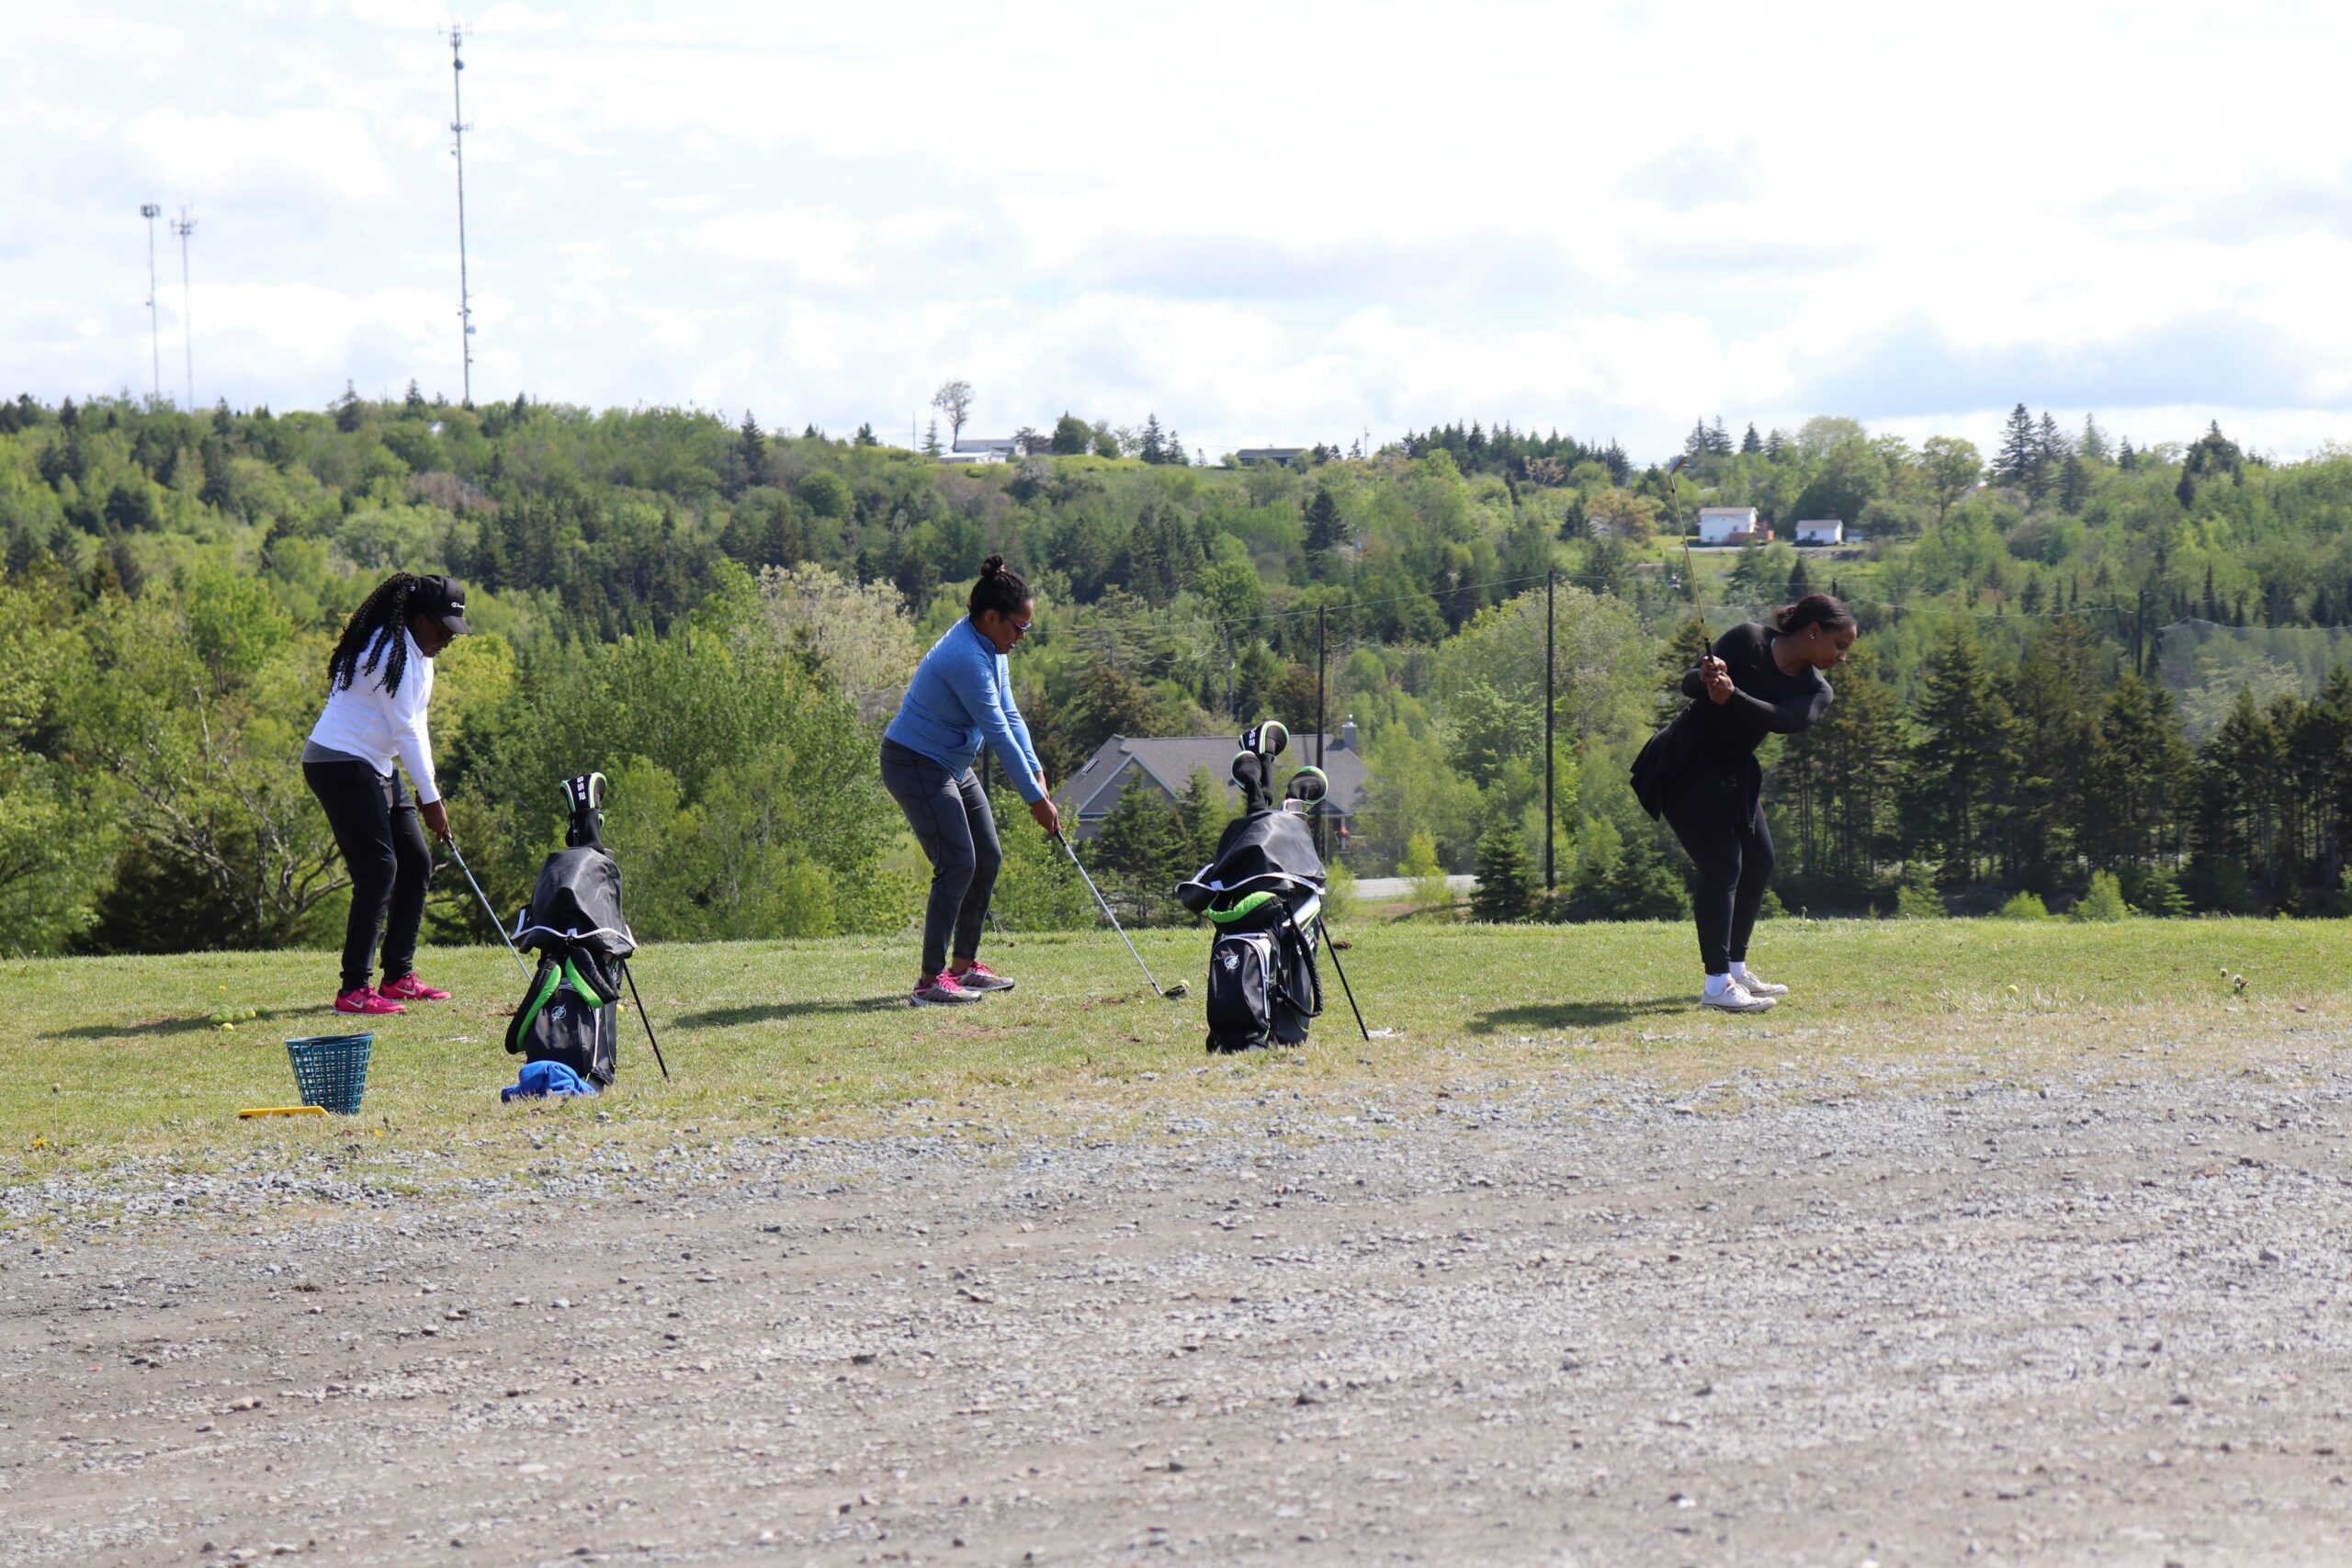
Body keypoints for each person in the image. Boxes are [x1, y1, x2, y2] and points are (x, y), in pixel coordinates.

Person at [1632, 592, 1856, 1012]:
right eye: (1839, 645)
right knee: (1722, 865)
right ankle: (1716, 985)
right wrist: (1707, 675)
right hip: (1685, 760)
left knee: (1759, 860)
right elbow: (1688, 684)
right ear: (1813, 631)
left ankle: (1734, 970)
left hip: (1733, 770)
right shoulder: (1748, 639)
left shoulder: (1816, 689)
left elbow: (1787, 719)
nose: (1842, 657)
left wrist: (1731, 695)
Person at [879, 557, 1060, 1006]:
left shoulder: (992, 647)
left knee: (988, 857)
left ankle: (963, 966)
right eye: (1019, 627)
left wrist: (1036, 770)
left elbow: (1011, 712)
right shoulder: (964, 657)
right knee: (958, 861)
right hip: (915, 762)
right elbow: (995, 730)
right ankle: (929, 981)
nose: (1022, 638)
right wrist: (1035, 801)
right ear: (992, 617)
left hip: (952, 765)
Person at [303, 572, 471, 1016]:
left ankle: (397, 976)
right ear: (419, 619)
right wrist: (431, 798)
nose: (447, 641)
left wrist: (426, 787)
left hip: (376, 764)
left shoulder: (420, 653)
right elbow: (406, 730)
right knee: (379, 870)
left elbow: (419, 726)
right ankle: (353, 989)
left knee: (415, 860)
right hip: (338, 762)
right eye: (443, 631)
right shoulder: (389, 652)